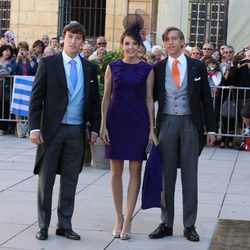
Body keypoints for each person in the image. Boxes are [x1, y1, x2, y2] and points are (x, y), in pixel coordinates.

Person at [28, 21, 101, 241]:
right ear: (63, 38)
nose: (74, 41)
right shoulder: (49, 63)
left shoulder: (89, 67)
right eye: (70, 37)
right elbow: (36, 98)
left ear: (83, 42)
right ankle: (43, 225)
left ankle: (65, 224)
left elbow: (94, 101)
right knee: (46, 179)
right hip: (52, 131)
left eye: (78, 38)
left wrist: (95, 128)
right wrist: (34, 127)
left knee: (70, 180)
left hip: (77, 131)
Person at [149, 27, 216, 242]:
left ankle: (189, 225)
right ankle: (166, 223)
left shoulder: (197, 66)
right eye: (167, 40)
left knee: (190, 176)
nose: (170, 43)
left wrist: (211, 128)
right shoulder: (158, 68)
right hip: (167, 122)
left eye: (174, 39)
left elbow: (207, 99)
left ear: (183, 42)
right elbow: (148, 99)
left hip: (190, 123)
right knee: (166, 177)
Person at [101, 14, 157, 240]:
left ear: (140, 46)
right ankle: (118, 216)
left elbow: (149, 100)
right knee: (115, 171)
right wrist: (103, 125)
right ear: (121, 45)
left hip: (138, 122)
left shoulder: (147, 69)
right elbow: (105, 97)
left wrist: (152, 129)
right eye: (127, 43)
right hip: (116, 121)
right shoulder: (112, 66)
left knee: (135, 170)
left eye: (135, 43)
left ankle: (129, 219)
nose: (131, 47)